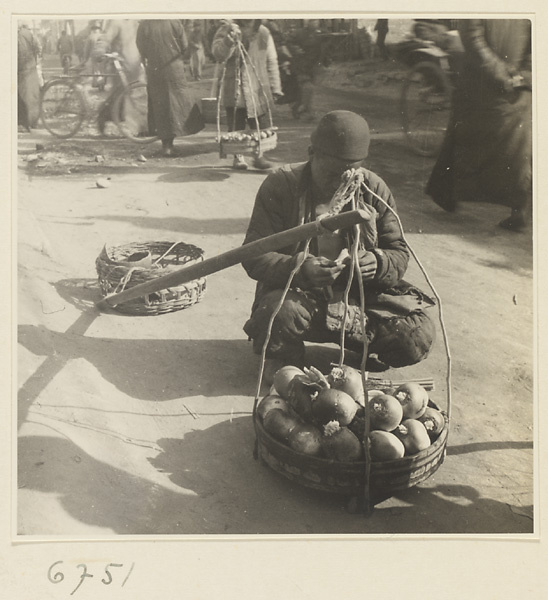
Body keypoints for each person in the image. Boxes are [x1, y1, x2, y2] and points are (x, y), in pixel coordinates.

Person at [241, 110, 436, 379]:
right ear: (312, 153)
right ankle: (285, 356)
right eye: (334, 172)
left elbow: (398, 252)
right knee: (276, 312)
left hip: (361, 299)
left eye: (353, 171)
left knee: (416, 335)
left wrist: (377, 262)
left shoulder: (372, 187)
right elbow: (254, 254)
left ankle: (361, 346)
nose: (343, 181)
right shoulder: (282, 185)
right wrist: (300, 268)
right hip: (302, 297)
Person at [426, 19, 532, 232]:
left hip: (487, 82)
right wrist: (521, 74)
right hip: (502, 84)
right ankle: (520, 208)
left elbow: (473, 40)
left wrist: (510, 74)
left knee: (473, 139)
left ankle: (445, 193)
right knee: (517, 147)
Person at [212, 19, 283, 170]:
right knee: (236, 126)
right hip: (235, 88)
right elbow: (218, 55)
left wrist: (276, 86)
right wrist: (227, 42)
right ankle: (238, 156)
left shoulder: (263, 32)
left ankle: (259, 156)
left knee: (260, 126)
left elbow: (271, 60)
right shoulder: (227, 29)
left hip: (258, 88)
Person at [136, 19, 205, 156]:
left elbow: (140, 47)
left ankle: (166, 146)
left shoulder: (144, 24)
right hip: (174, 69)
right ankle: (172, 142)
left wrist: (148, 57)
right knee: (176, 105)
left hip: (155, 69)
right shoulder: (174, 22)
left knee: (160, 106)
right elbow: (185, 47)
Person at [285, 19, 326, 121]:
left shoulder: (321, 33)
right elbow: (288, 42)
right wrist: (295, 49)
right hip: (301, 65)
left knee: (308, 90)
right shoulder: (299, 33)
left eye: (316, 21)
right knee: (307, 88)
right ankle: (307, 112)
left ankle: (300, 108)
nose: (315, 23)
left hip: (314, 65)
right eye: (312, 21)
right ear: (308, 22)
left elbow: (324, 48)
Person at [18, 22, 42, 132]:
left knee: (23, 97)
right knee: (33, 95)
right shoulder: (29, 34)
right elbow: (38, 48)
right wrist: (36, 61)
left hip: (21, 69)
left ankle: (25, 123)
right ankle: (34, 122)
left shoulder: (16, 35)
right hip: (31, 67)